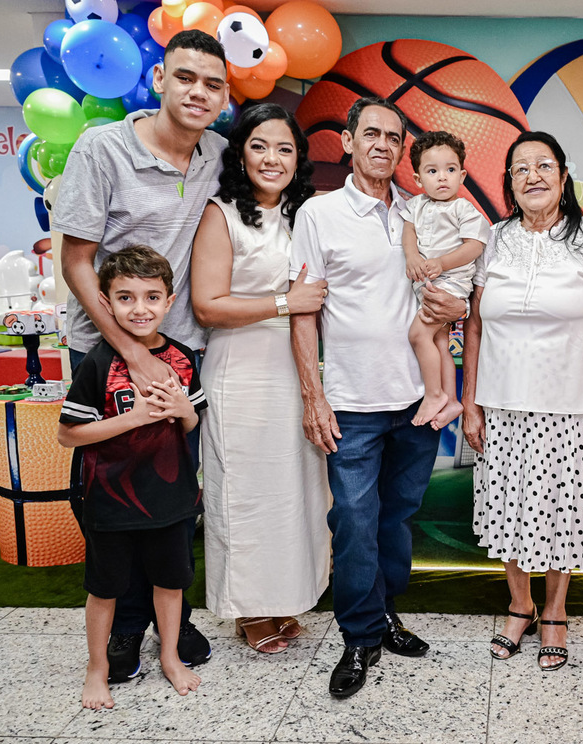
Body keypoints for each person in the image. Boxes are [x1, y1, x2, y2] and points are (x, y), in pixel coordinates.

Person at [50, 29, 229, 681]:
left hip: (177, 350)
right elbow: (76, 261)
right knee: (115, 491)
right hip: (106, 347)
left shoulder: (216, 152)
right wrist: (130, 351)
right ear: (158, 79)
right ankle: (126, 625)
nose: (198, 92)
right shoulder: (104, 148)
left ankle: (170, 618)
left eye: (213, 84)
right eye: (186, 76)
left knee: (172, 492)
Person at [289, 97, 467, 698]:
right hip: (352, 404)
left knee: (396, 520)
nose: (383, 145)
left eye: (394, 137)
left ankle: (386, 613)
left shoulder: (422, 210)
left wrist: (459, 305)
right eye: (371, 133)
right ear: (347, 141)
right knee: (354, 522)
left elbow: (460, 280)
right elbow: (303, 311)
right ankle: (360, 636)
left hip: (418, 403)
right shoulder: (319, 213)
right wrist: (313, 395)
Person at [461, 131, 583, 671]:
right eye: (520, 168)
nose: (532, 176)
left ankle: (555, 610)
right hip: (503, 407)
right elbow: (475, 327)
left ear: (562, 176)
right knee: (509, 509)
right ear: (509, 183)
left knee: (563, 512)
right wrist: (470, 402)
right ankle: (520, 606)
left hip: (572, 409)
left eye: (543, 166)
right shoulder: (493, 240)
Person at [190, 104, 329, 654]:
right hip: (241, 369)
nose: (273, 159)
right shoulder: (221, 214)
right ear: (240, 154)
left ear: (299, 158)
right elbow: (207, 305)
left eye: (285, 148)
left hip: (296, 367)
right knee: (245, 491)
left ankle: (284, 598)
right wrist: (285, 302)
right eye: (259, 146)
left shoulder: (307, 215)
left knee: (292, 491)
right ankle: (248, 608)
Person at [57, 246, 208, 709]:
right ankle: (97, 668)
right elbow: (68, 434)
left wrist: (183, 411)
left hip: (170, 500)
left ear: (169, 301)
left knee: (170, 583)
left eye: (151, 297)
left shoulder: (183, 358)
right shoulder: (97, 363)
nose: (139, 309)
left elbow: (192, 424)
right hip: (110, 503)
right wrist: (134, 418)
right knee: (105, 590)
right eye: (125, 298)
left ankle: (169, 656)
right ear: (106, 302)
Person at [401, 130, 490, 429]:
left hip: (451, 284)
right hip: (426, 283)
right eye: (432, 171)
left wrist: (442, 263)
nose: (442, 177)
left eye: (450, 170)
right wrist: (412, 256)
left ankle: (434, 394)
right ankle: (451, 399)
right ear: (417, 179)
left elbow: (474, 247)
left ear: (462, 175)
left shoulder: (464, 209)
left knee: (418, 335)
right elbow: (408, 233)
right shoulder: (415, 205)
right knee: (439, 340)